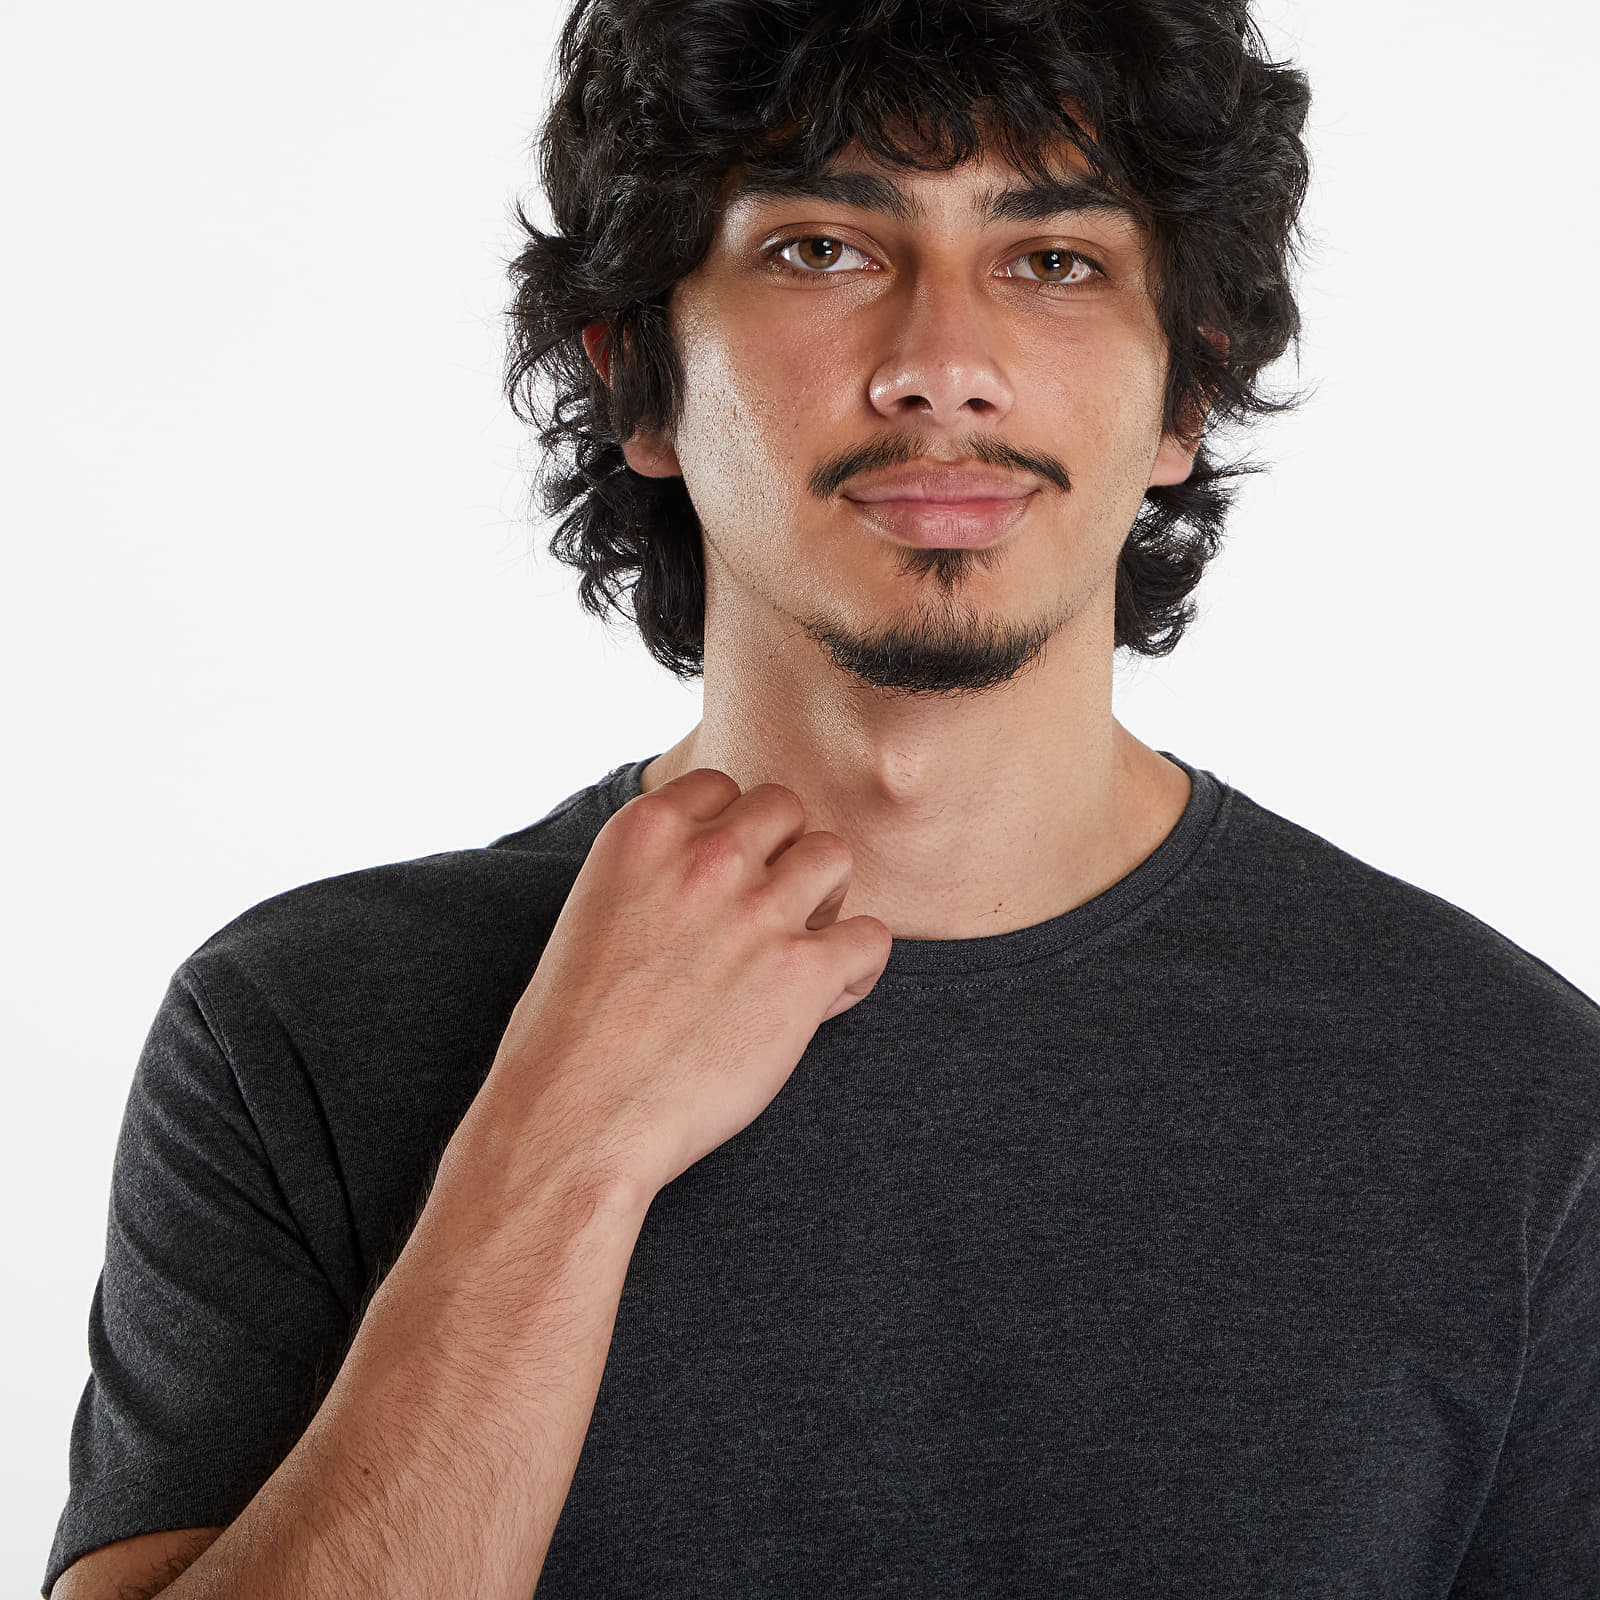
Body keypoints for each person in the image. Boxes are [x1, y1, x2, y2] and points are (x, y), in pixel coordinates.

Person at [44, 0, 1599, 1595]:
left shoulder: (1513, 1097)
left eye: (1054, 260)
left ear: (1186, 394)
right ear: (639, 382)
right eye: (820, 251)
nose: (943, 368)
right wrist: (561, 1150)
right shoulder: (302, 1029)